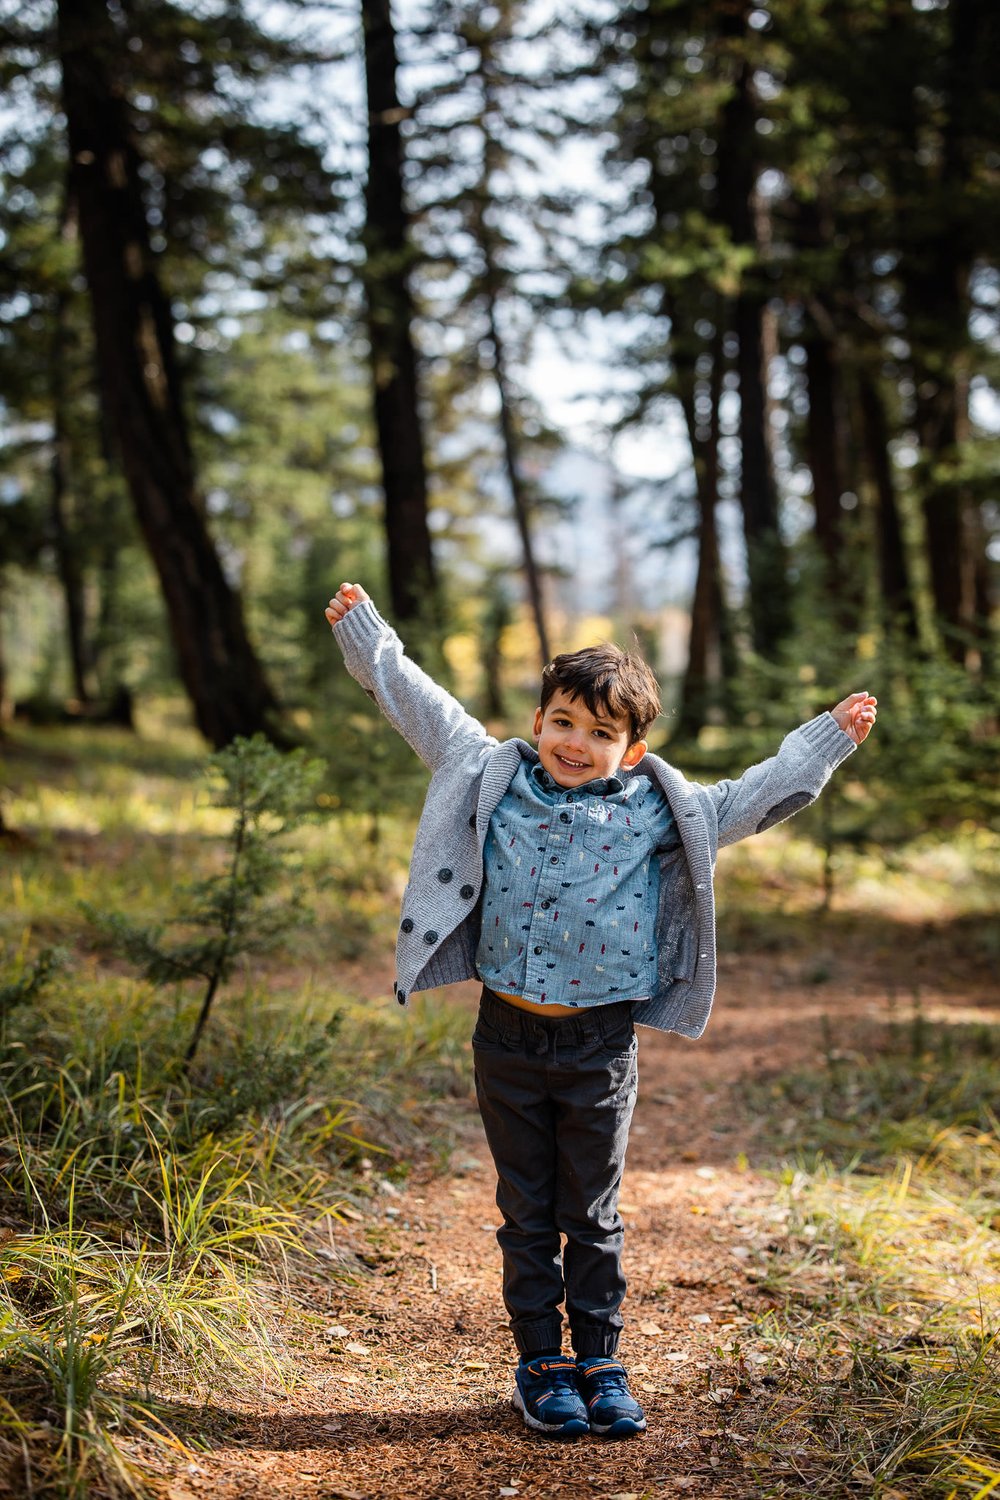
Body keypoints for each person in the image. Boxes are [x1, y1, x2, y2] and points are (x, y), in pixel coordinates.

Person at [324, 581, 877, 1441]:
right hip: (505, 1035)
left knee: (593, 1212)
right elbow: (418, 705)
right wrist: (366, 634)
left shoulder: (661, 810)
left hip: (598, 1045)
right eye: (563, 722)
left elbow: (751, 797)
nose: (576, 744)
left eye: (601, 732)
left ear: (633, 745)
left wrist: (823, 741)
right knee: (528, 1209)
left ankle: (602, 1359)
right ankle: (542, 1362)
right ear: (540, 719)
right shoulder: (491, 775)